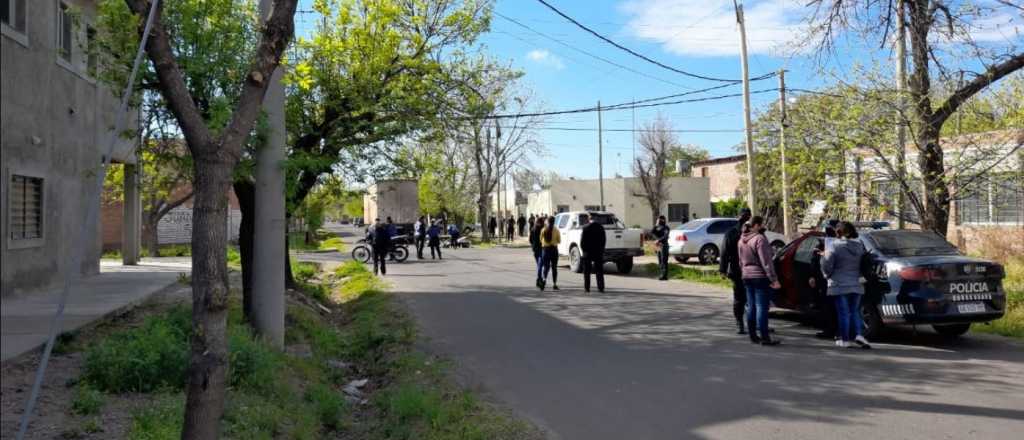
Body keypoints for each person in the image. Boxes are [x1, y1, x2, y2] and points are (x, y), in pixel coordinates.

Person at [821, 221, 872, 349]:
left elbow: (827, 265)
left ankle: (845, 339)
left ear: (838, 232)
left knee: (843, 313)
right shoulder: (860, 245)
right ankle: (859, 335)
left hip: (839, 284)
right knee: (855, 311)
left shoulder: (834, 246)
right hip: (857, 283)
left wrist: (826, 271)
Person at [738, 216, 781, 346]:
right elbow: (766, 261)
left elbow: (740, 260)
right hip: (759, 276)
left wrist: (743, 273)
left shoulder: (741, 239)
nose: (763, 226)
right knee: (762, 307)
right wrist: (774, 279)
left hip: (747, 276)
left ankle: (753, 335)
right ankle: (765, 337)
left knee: (751, 306)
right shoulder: (759, 239)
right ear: (756, 225)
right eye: (762, 224)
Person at [719, 208, 752, 334]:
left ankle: (745, 323)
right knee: (744, 298)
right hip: (739, 270)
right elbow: (725, 252)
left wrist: (722, 269)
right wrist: (722, 269)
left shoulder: (752, 232)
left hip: (742, 270)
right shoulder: (733, 233)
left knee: (743, 298)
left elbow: (724, 252)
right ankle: (741, 323)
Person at [580, 213, 606, 293]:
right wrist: (601, 249)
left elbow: (582, 242)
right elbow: (604, 240)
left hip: (588, 252)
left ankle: (587, 288)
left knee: (587, 271)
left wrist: (584, 250)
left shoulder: (585, 228)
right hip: (598, 252)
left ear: (589, 219)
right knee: (599, 270)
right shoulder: (601, 228)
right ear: (596, 218)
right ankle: (600, 287)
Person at [539, 216, 560, 291]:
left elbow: (540, 240)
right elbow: (559, 241)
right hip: (554, 250)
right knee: (554, 267)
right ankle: (554, 284)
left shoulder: (543, 229)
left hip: (545, 250)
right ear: (554, 222)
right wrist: (553, 242)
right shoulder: (556, 230)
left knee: (546, 267)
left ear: (548, 221)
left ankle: (544, 280)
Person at [651, 215, 671, 281]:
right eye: (658, 220)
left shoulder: (666, 228)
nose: (658, 221)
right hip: (658, 246)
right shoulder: (657, 227)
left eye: (659, 220)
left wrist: (658, 240)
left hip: (664, 245)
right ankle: (661, 274)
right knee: (660, 261)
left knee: (664, 260)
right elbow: (652, 232)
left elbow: (665, 236)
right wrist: (655, 225)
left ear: (662, 220)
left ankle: (664, 275)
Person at [529, 217, 545, 288]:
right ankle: (539, 280)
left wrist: (533, 245)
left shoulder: (533, 228)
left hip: (535, 249)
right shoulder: (542, 229)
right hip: (541, 248)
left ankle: (539, 279)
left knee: (539, 265)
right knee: (540, 265)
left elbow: (530, 240)